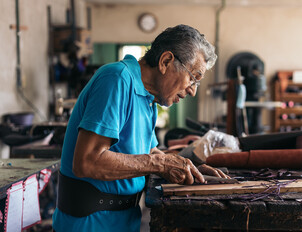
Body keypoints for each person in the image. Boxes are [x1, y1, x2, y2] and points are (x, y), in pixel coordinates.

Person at [52, 24, 227, 232]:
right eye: (193, 78)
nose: (192, 91)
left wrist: (188, 165)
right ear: (166, 61)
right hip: (90, 223)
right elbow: (87, 162)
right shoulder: (116, 79)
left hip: (124, 221)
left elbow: (148, 152)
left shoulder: (149, 99)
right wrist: (161, 163)